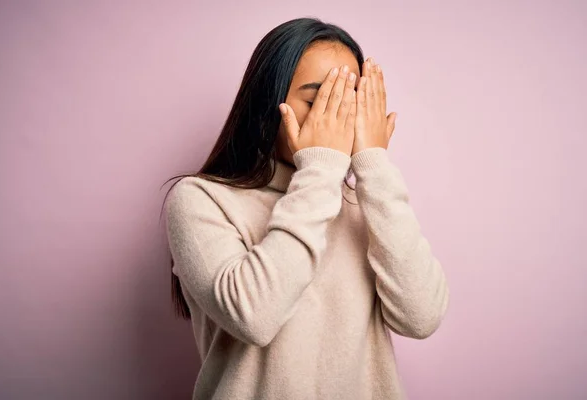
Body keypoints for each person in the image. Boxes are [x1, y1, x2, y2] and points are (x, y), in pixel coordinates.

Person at [162, 17, 449, 400]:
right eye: (319, 101)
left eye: (349, 102)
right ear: (268, 103)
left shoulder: (366, 203)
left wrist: (375, 169)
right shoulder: (201, 200)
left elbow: (421, 317)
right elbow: (255, 316)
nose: (338, 118)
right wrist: (320, 170)